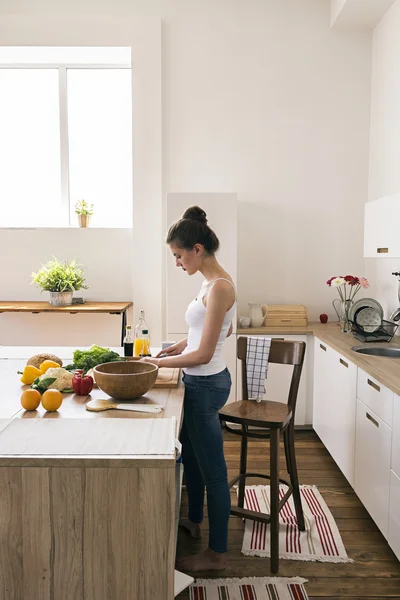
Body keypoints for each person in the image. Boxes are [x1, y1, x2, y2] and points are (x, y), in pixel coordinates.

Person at [141, 205, 235, 572]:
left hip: (207, 383)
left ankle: (218, 554)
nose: (177, 263)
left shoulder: (222, 287)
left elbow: (206, 352)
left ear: (197, 249)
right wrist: (178, 346)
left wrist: (157, 364)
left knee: (213, 471)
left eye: (179, 256)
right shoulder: (208, 283)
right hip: (200, 380)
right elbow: (207, 333)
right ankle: (194, 519)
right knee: (192, 457)